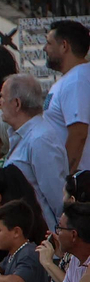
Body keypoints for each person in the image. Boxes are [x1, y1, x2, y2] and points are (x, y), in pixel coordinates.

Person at [0, 73, 68, 228]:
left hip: (44, 238)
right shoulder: (24, 137)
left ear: (16, 103)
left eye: (3, 97)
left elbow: (57, 198)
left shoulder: (40, 139)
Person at [43, 20, 90, 171]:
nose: (44, 48)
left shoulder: (76, 80)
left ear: (64, 46)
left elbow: (78, 133)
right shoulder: (72, 78)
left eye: (49, 43)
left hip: (78, 180)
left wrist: (65, 178)